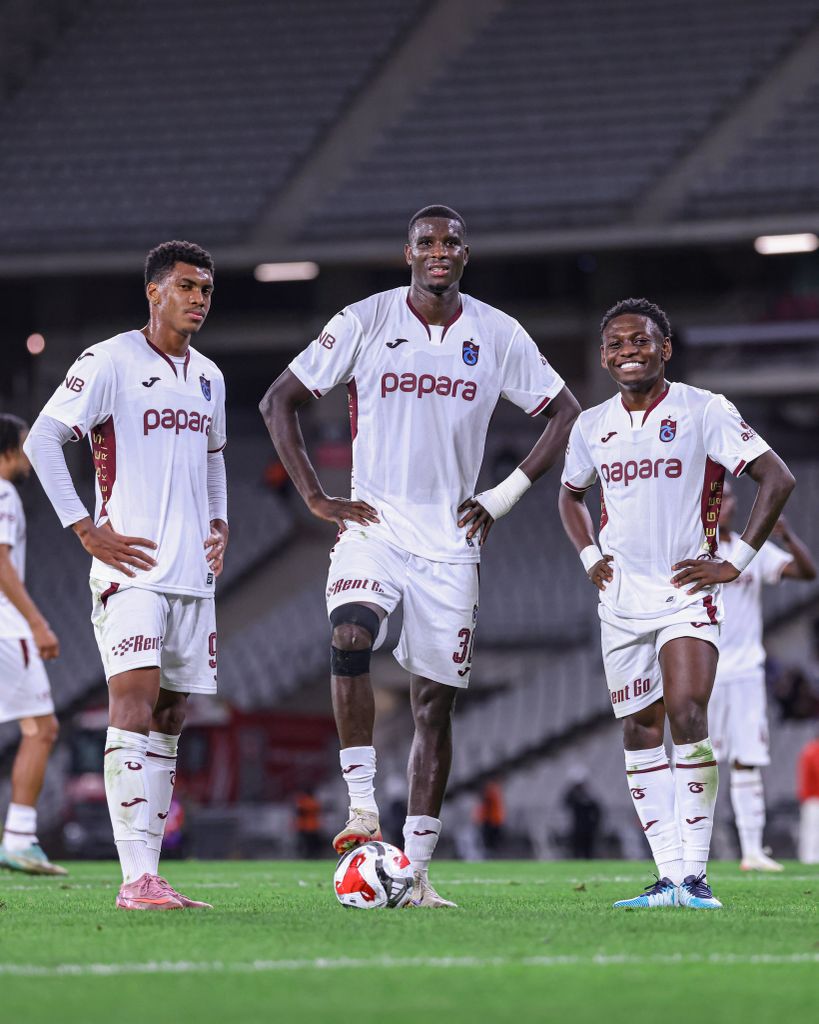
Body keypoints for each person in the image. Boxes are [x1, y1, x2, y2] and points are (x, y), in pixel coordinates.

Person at [260, 205, 579, 907]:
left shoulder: (496, 334)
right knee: (348, 634)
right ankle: (362, 806)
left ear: (465, 254)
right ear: (407, 252)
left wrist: (500, 497)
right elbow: (278, 400)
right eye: (426, 242)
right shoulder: (365, 320)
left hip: (451, 544)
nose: (439, 252)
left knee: (433, 707)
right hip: (373, 526)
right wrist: (315, 497)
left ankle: (418, 871)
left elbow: (564, 412)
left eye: (451, 242)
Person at [559, 297, 795, 909]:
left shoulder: (703, 409)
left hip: (687, 593)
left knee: (688, 710)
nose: (628, 351)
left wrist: (734, 561)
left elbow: (777, 478)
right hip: (620, 601)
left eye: (641, 340)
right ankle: (667, 877)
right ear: (603, 356)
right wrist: (590, 558)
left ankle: (696, 875)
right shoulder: (592, 425)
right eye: (616, 343)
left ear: (665, 349)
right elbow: (569, 497)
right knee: (640, 730)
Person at [24, 240, 228, 911]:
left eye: (205, 288)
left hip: (192, 575)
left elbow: (214, 459)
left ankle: (152, 872)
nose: (198, 298)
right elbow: (42, 440)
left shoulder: (209, 377)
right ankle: (135, 878)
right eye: (186, 286)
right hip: (131, 567)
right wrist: (85, 527)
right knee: (133, 701)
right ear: (154, 291)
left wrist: (220, 525)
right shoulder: (109, 360)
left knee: (171, 715)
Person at [711, 482, 815, 870]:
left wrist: (786, 535)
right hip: (707, 673)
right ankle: (689, 852)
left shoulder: (748, 550)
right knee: (701, 761)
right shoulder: (693, 550)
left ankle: (752, 851)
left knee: (748, 760)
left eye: (732, 498)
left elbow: (806, 572)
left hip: (748, 672)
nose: (727, 505)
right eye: (719, 499)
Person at [0, 414, 65, 876]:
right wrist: (38, 623)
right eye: (22, 446)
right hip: (8, 631)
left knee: (38, 729)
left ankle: (20, 838)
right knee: (40, 729)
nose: (27, 456)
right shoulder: (3, 494)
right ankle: (20, 839)